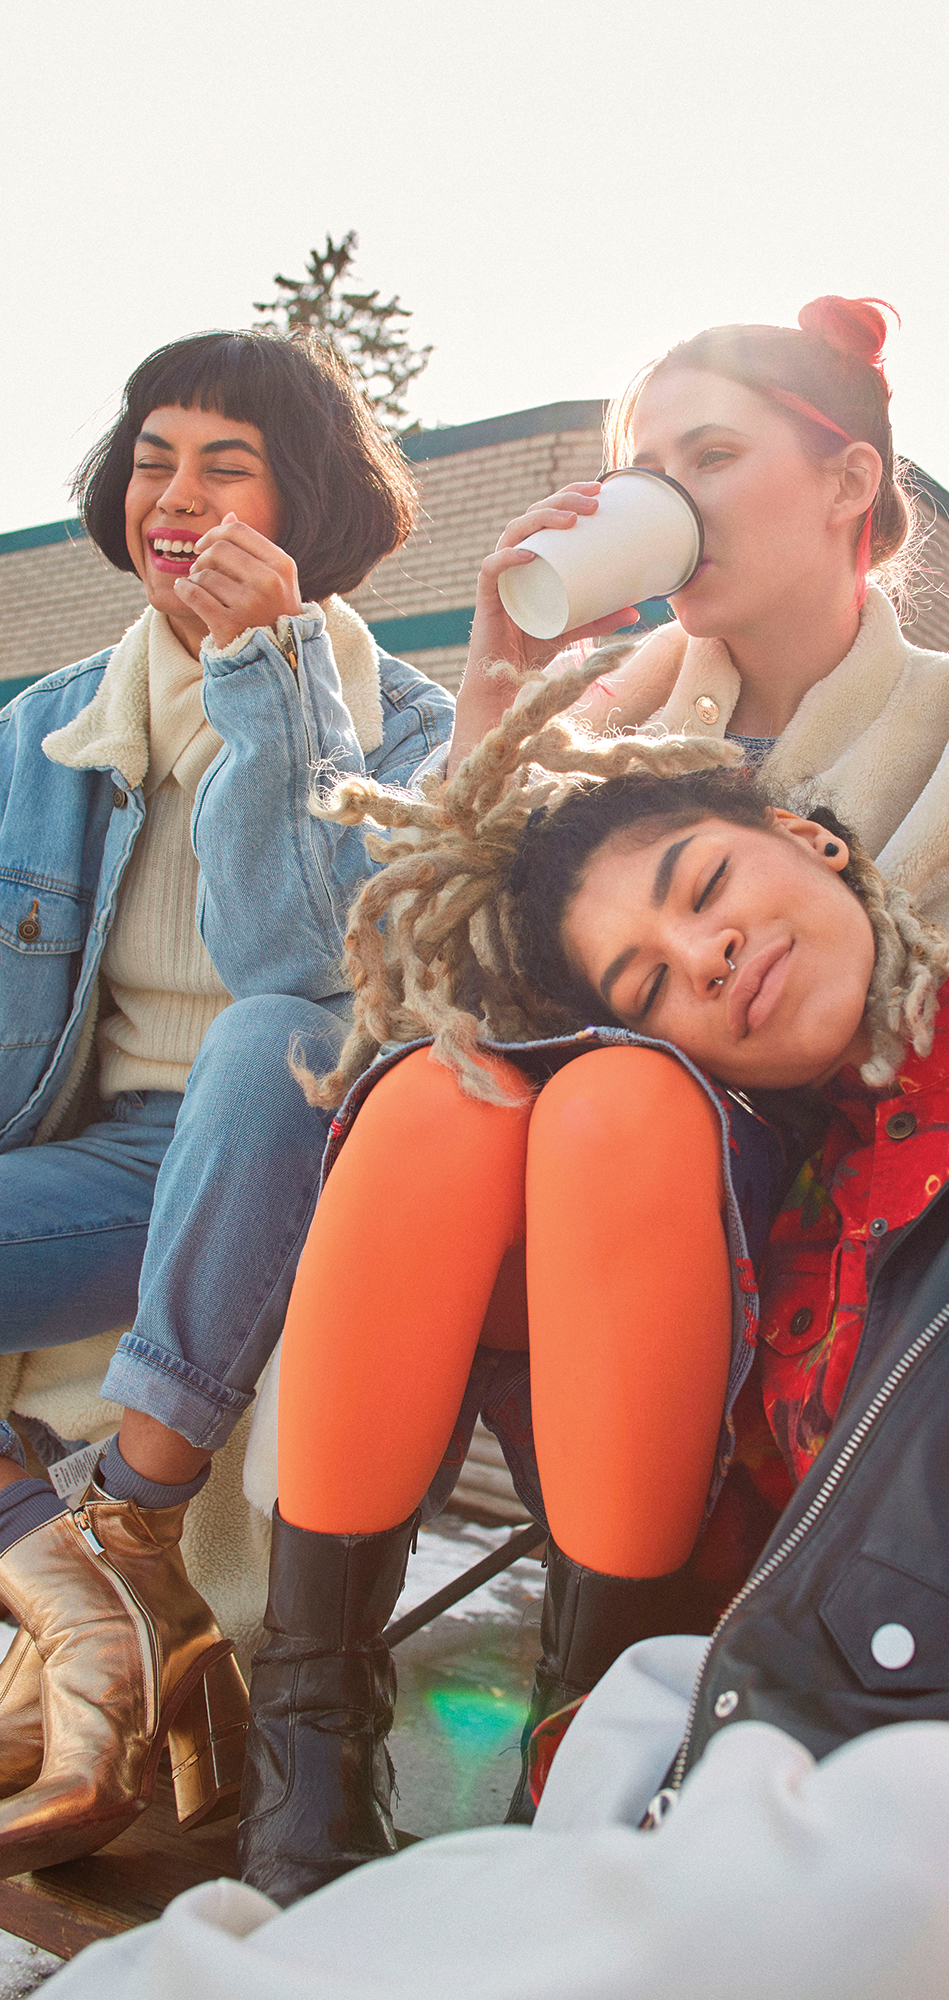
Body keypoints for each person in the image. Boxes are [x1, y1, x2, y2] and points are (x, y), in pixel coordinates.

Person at [235, 655, 949, 1904]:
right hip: (791, 1654)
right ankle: (311, 1744)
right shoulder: (743, 1187)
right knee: (446, 1099)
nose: (709, 951)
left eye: (709, 885)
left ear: (808, 838)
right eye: (653, 984)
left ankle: (580, 1741)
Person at [0, 330, 454, 1875]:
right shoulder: (43, 729)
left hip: (282, 1152)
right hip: (95, 1157)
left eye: (223, 464)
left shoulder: (409, 736)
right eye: (151, 460)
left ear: (303, 504)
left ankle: (123, 1532)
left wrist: (268, 682)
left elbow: (301, 962)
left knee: (274, 1028)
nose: (174, 499)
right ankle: (75, 1588)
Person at [449, 295, 949, 952]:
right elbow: (442, 954)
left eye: (712, 456)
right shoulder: (594, 721)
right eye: (646, 474)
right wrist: (495, 692)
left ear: (849, 482)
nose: (670, 499)